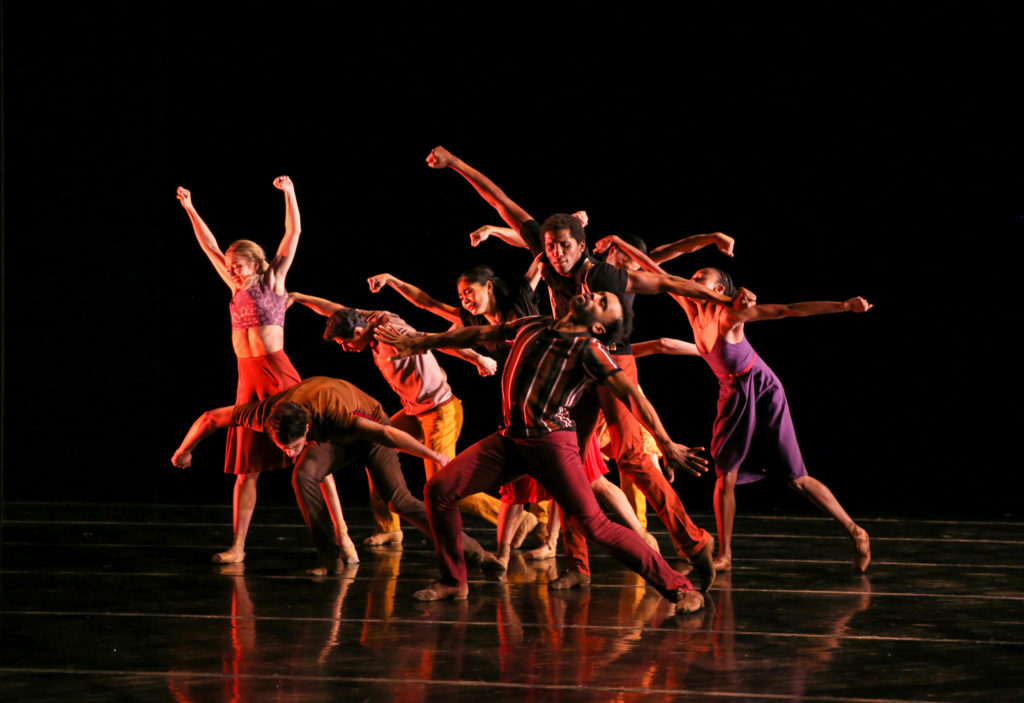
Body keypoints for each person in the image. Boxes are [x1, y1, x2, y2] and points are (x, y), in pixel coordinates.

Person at [425, 146, 747, 589]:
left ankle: (693, 543)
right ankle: (578, 566)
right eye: (551, 247)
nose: (556, 255)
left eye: (564, 248)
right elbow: (500, 199)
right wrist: (456, 165)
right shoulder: (548, 248)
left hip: (614, 363)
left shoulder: (602, 277)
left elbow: (665, 280)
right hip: (571, 366)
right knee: (569, 462)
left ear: (582, 247)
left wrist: (727, 302)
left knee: (633, 458)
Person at [377, 291, 712, 612]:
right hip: (510, 440)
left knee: (596, 526)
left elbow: (633, 396)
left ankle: (680, 587)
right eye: (597, 294)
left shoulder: (590, 349)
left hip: (552, 445)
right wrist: (421, 342)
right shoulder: (532, 324)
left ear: (598, 327)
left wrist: (666, 443)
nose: (593, 296)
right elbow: (477, 332)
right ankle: (454, 581)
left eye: (602, 302)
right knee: (439, 489)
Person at [597, 234, 873, 572]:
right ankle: (724, 553)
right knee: (724, 475)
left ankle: (855, 531)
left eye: (700, 279)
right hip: (732, 391)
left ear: (717, 290)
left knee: (796, 477)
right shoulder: (688, 304)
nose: (691, 281)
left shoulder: (731, 315)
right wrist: (617, 241)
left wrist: (844, 306)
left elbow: (788, 311)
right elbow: (652, 266)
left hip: (761, 386)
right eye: (692, 277)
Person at [175, 178, 353, 564]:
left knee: (312, 459)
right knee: (246, 469)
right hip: (247, 378)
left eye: (237, 266)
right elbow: (207, 245)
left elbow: (294, 232)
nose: (232, 271)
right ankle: (238, 546)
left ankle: (343, 537)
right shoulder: (232, 285)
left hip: (278, 374)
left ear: (255, 263)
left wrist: (290, 193)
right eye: (229, 267)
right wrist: (191, 207)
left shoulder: (273, 280)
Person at [170, 376, 500, 575]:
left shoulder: (336, 415)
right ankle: (329, 558)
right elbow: (211, 417)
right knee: (302, 475)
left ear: (308, 429)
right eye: (283, 448)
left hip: (370, 431)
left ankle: (478, 554)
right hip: (331, 440)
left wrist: (433, 454)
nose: (289, 452)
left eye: (295, 445)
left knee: (399, 501)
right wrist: (184, 449)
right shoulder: (263, 413)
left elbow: (386, 436)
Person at [288, 292, 505, 544]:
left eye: (345, 343)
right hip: (414, 411)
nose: (345, 349)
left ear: (358, 332)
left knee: (444, 483)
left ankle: (516, 520)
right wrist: (299, 296)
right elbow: (333, 306)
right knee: (376, 450)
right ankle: (388, 529)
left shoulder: (391, 333)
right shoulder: (366, 320)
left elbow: (436, 340)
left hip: (440, 412)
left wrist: (477, 358)